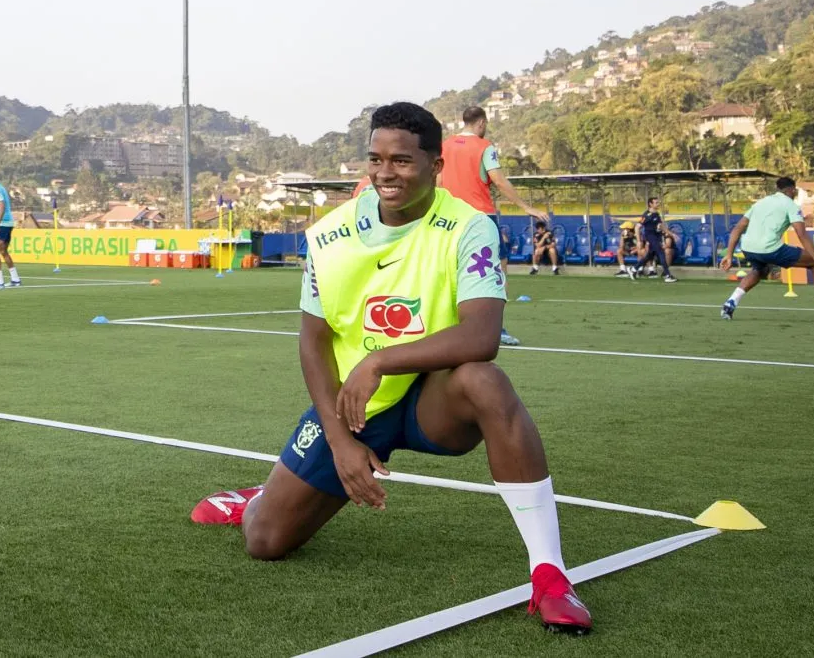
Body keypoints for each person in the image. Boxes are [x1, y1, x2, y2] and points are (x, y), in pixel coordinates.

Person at [191, 103, 592, 634]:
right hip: (358, 408)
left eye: (402, 161)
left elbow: (482, 336)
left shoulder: (469, 228)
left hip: (433, 401)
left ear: (435, 166)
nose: (385, 172)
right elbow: (312, 344)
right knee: (266, 543)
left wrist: (381, 359)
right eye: (376, 159)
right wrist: (340, 443)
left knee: (485, 380)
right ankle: (259, 498)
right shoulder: (329, 236)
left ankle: (550, 576)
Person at [439, 106, 550, 346]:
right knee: (497, 269)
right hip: (480, 218)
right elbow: (498, 180)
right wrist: (525, 206)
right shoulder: (484, 146)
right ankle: (495, 328)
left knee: (453, 271)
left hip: (449, 218)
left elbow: (437, 181)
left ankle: (453, 328)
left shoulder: (445, 146)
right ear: (481, 123)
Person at [720, 177, 814, 325]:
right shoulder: (791, 205)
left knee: (759, 271)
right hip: (769, 248)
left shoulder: (761, 203)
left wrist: (729, 255)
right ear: (792, 190)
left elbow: (738, 228)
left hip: (748, 248)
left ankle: (731, 302)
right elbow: (801, 234)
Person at [628, 197, 677, 283]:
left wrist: (671, 234)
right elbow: (637, 227)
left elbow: (661, 226)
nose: (658, 204)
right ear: (650, 204)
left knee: (649, 256)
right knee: (661, 253)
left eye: (658, 202)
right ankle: (667, 275)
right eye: (656, 203)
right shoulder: (647, 215)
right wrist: (639, 241)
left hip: (657, 236)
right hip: (651, 237)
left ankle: (633, 269)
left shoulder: (656, 214)